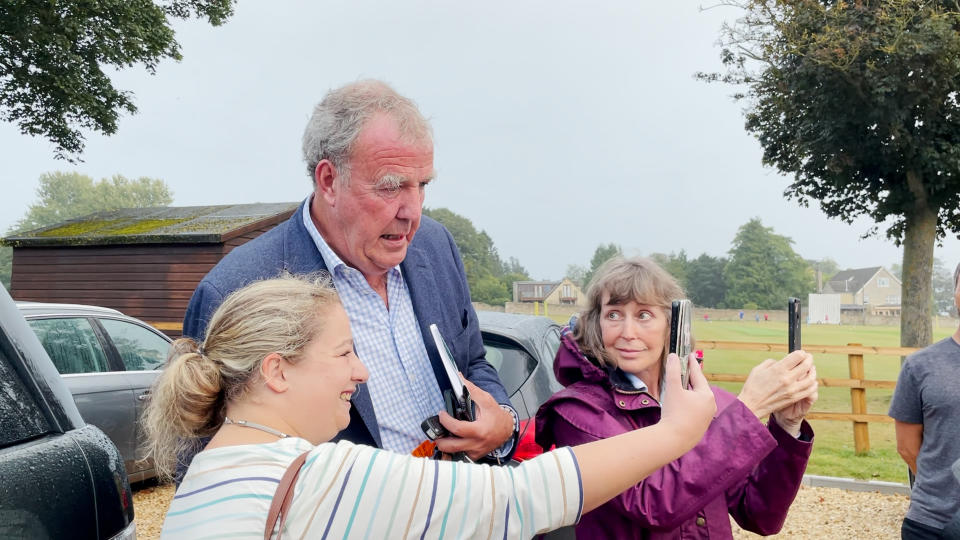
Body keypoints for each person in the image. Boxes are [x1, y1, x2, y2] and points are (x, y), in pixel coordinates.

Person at [144, 275, 718, 538]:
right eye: (345, 353)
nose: (361, 372)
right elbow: (521, 499)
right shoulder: (318, 476)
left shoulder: (208, 475)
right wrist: (676, 433)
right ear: (276, 370)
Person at [180, 80, 516, 468]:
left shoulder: (435, 245)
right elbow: (203, 462)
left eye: (421, 185)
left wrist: (502, 421)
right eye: (390, 187)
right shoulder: (238, 288)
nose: (412, 212)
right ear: (329, 181)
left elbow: (472, 361)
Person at [535, 257, 818, 539]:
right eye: (614, 315)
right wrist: (749, 408)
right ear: (597, 323)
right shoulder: (577, 412)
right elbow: (654, 503)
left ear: (672, 326)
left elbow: (759, 514)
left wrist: (786, 425)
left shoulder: (701, 402)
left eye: (643, 315)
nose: (627, 333)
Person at [889, 262, 960, 539]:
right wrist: (942, 486)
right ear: (954, 292)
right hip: (931, 523)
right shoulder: (919, 366)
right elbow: (907, 447)